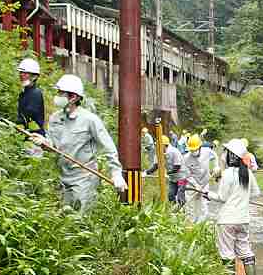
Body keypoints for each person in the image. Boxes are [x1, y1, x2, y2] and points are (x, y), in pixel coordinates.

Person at [33, 74, 126, 210]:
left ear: (73, 97)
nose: (57, 96)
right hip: (62, 177)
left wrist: (116, 174)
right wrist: (43, 142)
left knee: (80, 220)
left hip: (84, 178)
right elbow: (53, 146)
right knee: (65, 222)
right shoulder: (55, 119)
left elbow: (109, 148)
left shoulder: (90, 120)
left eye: (61, 93)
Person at [216, 138, 262, 275]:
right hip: (243, 220)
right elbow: (256, 193)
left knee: (227, 253)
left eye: (226, 153)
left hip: (227, 220)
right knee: (245, 251)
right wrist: (242, 198)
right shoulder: (248, 173)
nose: (224, 155)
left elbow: (222, 197)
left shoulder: (228, 173)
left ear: (232, 156)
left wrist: (208, 194)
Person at [182, 135, 216, 223]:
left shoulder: (207, 152)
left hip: (205, 182)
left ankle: (200, 226)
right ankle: (190, 225)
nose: (193, 151)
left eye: (195, 149)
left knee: (203, 205)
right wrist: (196, 186)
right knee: (190, 206)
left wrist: (217, 167)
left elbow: (215, 156)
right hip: (192, 185)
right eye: (191, 150)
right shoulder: (186, 158)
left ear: (200, 147)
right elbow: (187, 175)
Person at [145, 134, 186, 205]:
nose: (157, 147)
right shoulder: (158, 153)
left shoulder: (174, 151)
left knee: (180, 195)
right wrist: (146, 172)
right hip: (172, 178)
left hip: (182, 177)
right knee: (171, 195)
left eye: (159, 145)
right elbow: (156, 166)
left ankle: (182, 210)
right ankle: (174, 210)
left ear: (164, 145)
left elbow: (177, 167)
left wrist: (167, 173)